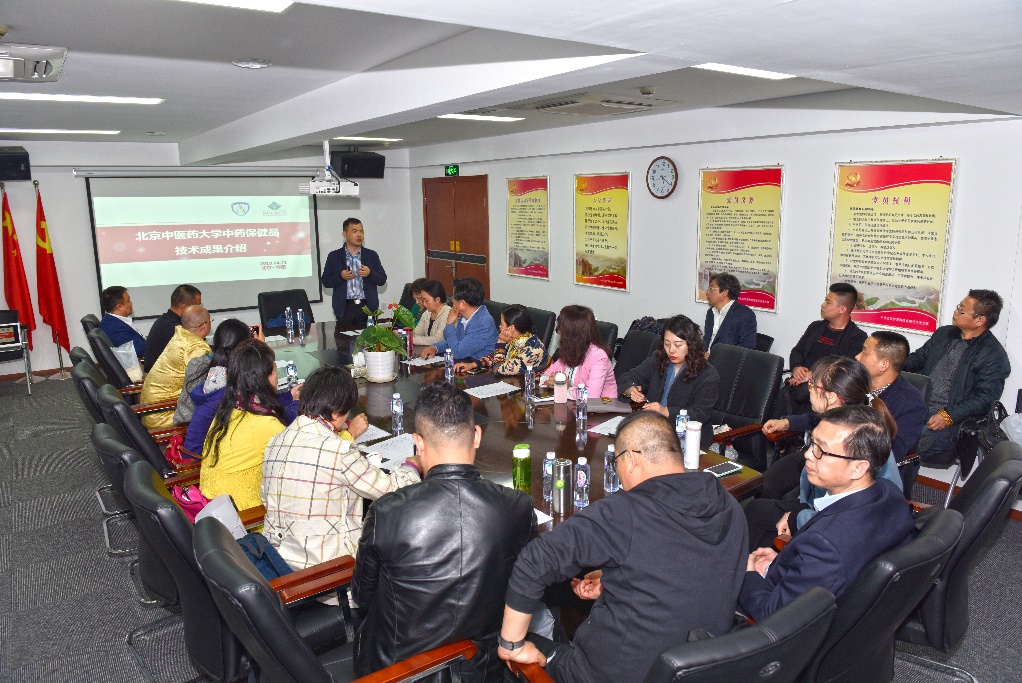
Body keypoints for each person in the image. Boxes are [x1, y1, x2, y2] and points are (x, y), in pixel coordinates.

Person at [497, 411, 748, 683]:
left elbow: (534, 562)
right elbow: (685, 563)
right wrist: (617, 577)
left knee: (506, 652)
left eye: (615, 462)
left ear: (630, 459)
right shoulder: (729, 506)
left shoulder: (624, 512)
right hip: (700, 667)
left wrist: (512, 645)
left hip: (613, 675)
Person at [352, 380, 535, 680]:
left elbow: (362, 596)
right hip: (481, 669)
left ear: (418, 442)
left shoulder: (386, 512)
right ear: (477, 436)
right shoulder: (518, 507)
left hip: (396, 671)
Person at [738, 405, 915, 621]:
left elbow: (773, 616)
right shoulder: (888, 492)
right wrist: (781, 565)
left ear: (858, 468)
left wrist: (749, 574)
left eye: (821, 450)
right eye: (811, 443)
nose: (807, 455)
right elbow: (829, 571)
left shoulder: (826, 544)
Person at [262, 366, 420, 570]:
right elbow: (390, 490)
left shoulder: (275, 441)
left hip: (279, 562)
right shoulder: (338, 450)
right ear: (337, 412)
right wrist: (413, 465)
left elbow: (267, 499)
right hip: (328, 571)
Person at [745, 355, 906, 550]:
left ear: (830, 397)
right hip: (819, 508)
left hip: (836, 524)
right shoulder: (849, 422)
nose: (808, 389)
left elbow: (838, 515)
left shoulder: (853, 441)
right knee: (762, 502)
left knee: (756, 515)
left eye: (811, 385)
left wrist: (797, 516)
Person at [903, 290, 1011, 477]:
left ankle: (894, 491)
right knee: (877, 430)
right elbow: (918, 359)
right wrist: (893, 361)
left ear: (980, 320)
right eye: (958, 307)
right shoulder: (944, 334)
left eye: (962, 310)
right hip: (918, 406)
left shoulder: (993, 355)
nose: (956, 312)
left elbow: (985, 398)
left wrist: (949, 415)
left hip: (951, 422)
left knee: (906, 444)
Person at [178, 320, 299, 453]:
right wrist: (260, 352)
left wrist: (289, 396)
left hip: (198, 446)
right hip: (200, 457)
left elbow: (259, 400)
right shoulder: (234, 386)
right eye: (274, 371)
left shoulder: (217, 376)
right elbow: (273, 418)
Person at [200, 339, 288, 510]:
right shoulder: (264, 424)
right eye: (275, 371)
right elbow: (306, 459)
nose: (277, 377)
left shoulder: (229, 408)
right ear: (264, 379)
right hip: (244, 517)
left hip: (212, 508)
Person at [618, 314, 719, 448]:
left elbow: (700, 413)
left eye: (678, 345)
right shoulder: (659, 359)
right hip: (653, 429)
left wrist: (667, 411)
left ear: (692, 345)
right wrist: (631, 389)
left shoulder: (707, 374)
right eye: (667, 344)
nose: (671, 350)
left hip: (688, 439)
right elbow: (628, 377)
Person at [784, 283, 867, 414]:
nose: (823, 305)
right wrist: (796, 368)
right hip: (798, 385)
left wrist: (813, 377)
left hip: (825, 394)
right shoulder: (815, 327)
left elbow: (844, 370)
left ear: (842, 309)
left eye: (828, 302)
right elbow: (797, 351)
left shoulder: (857, 337)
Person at [138, 305, 212, 430]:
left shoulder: (181, 335)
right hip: (165, 414)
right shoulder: (196, 347)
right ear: (204, 326)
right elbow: (202, 387)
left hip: (151, 409)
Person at [321, 217, 387, 328]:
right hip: (344, 308)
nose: (359, 235)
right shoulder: (334, 256)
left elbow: (382, 280)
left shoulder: (371, 255)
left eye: (361, 231)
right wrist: (340, 276)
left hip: (367, 308)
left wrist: (370, 273)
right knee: (343, 339)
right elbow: (326, 281)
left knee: (369, 339)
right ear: (344, 234)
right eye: (355, 231)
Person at [541, 305, 617, 400]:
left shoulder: (599, 357)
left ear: (571, 333)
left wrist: (567, 388)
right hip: (573, 404)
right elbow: (546, 375)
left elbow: (591, 396)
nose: (559, 333)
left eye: (560, 329)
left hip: (602, 406)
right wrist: (549, 382)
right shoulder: (570, 349)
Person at [419, 276, 497, 362]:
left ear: (462, 304)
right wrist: (435, 348)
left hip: (479, 367)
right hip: (464, 363)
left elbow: (457, 353)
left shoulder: (483, 324)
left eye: (453, 297)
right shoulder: (464, 316)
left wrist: (449, 324)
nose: (452, 299)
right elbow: (454, 341)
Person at [456, 304, 546, 376]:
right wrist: (473, 365)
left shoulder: (533, 350)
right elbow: (496, 356)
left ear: (511, 328)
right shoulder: (517, 340)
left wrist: (501, 342)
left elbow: (498, 370)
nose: (499, 326)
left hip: (537, 389)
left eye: (502, 324)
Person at [143, 284, 202, 373]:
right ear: (184, 306)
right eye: (197, 305)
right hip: (163, 377)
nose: (200, 309)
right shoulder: (173, 328)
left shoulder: (166, 320)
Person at [703, 272, 757, 352]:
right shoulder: (711, 312)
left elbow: (747, 348)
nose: (707, 293)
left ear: (725, 293)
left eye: (711, 288)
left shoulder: (745, 315)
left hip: (725, 359)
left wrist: (715, 356)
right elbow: (707, 340)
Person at [98, 286, 146, 358]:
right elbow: (140, 351)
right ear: (119, 307)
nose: (131, 303)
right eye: (128, 300)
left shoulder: (111, 321)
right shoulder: (115, 328)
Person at [410, 279, 451, 347]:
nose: (424, 304)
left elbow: (438, 340)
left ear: (437, 299)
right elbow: (416, 333)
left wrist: (409, 339)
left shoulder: (448, 313)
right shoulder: (427, 313)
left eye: (426, 300)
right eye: (423, 300)